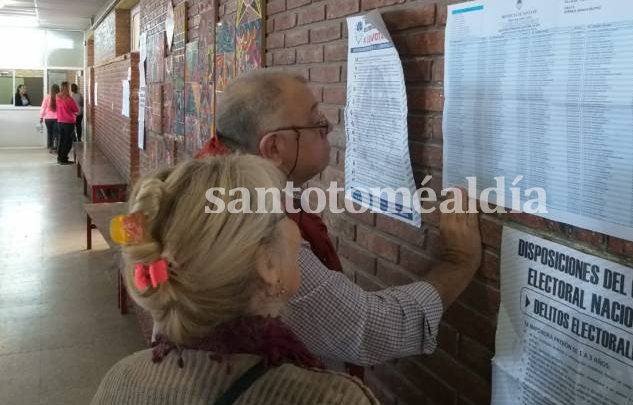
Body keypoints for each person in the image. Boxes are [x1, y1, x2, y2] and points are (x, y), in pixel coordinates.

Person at [198, 70, 482, 373]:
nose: (328, 126)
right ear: (274, 148)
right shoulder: (258, 233)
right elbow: (373, 330)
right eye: (316, 122)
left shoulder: (215, 189)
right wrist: (458, 262)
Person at [92, 155, 378, 405]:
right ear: (267, 264)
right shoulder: (335, 398)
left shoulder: (118, 381)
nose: (294, 226)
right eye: (283, 215)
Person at [55, 81, 79, 165]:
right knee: (68, 141)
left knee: (61, 140)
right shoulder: (69, 99)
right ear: (67, 89)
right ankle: (64, 159)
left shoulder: (57, 97)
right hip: (68, 123)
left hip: (60, 121)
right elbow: (76, 109)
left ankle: (60, 158)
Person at [40, 84, 59, 154]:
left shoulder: (47, 97)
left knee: (50, 133)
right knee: (56, 134)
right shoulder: (59, 97)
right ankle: (57, 148)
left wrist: (41, 117)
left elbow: (43, 107)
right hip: (57, 119)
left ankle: (50, 148)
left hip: (48, 119)